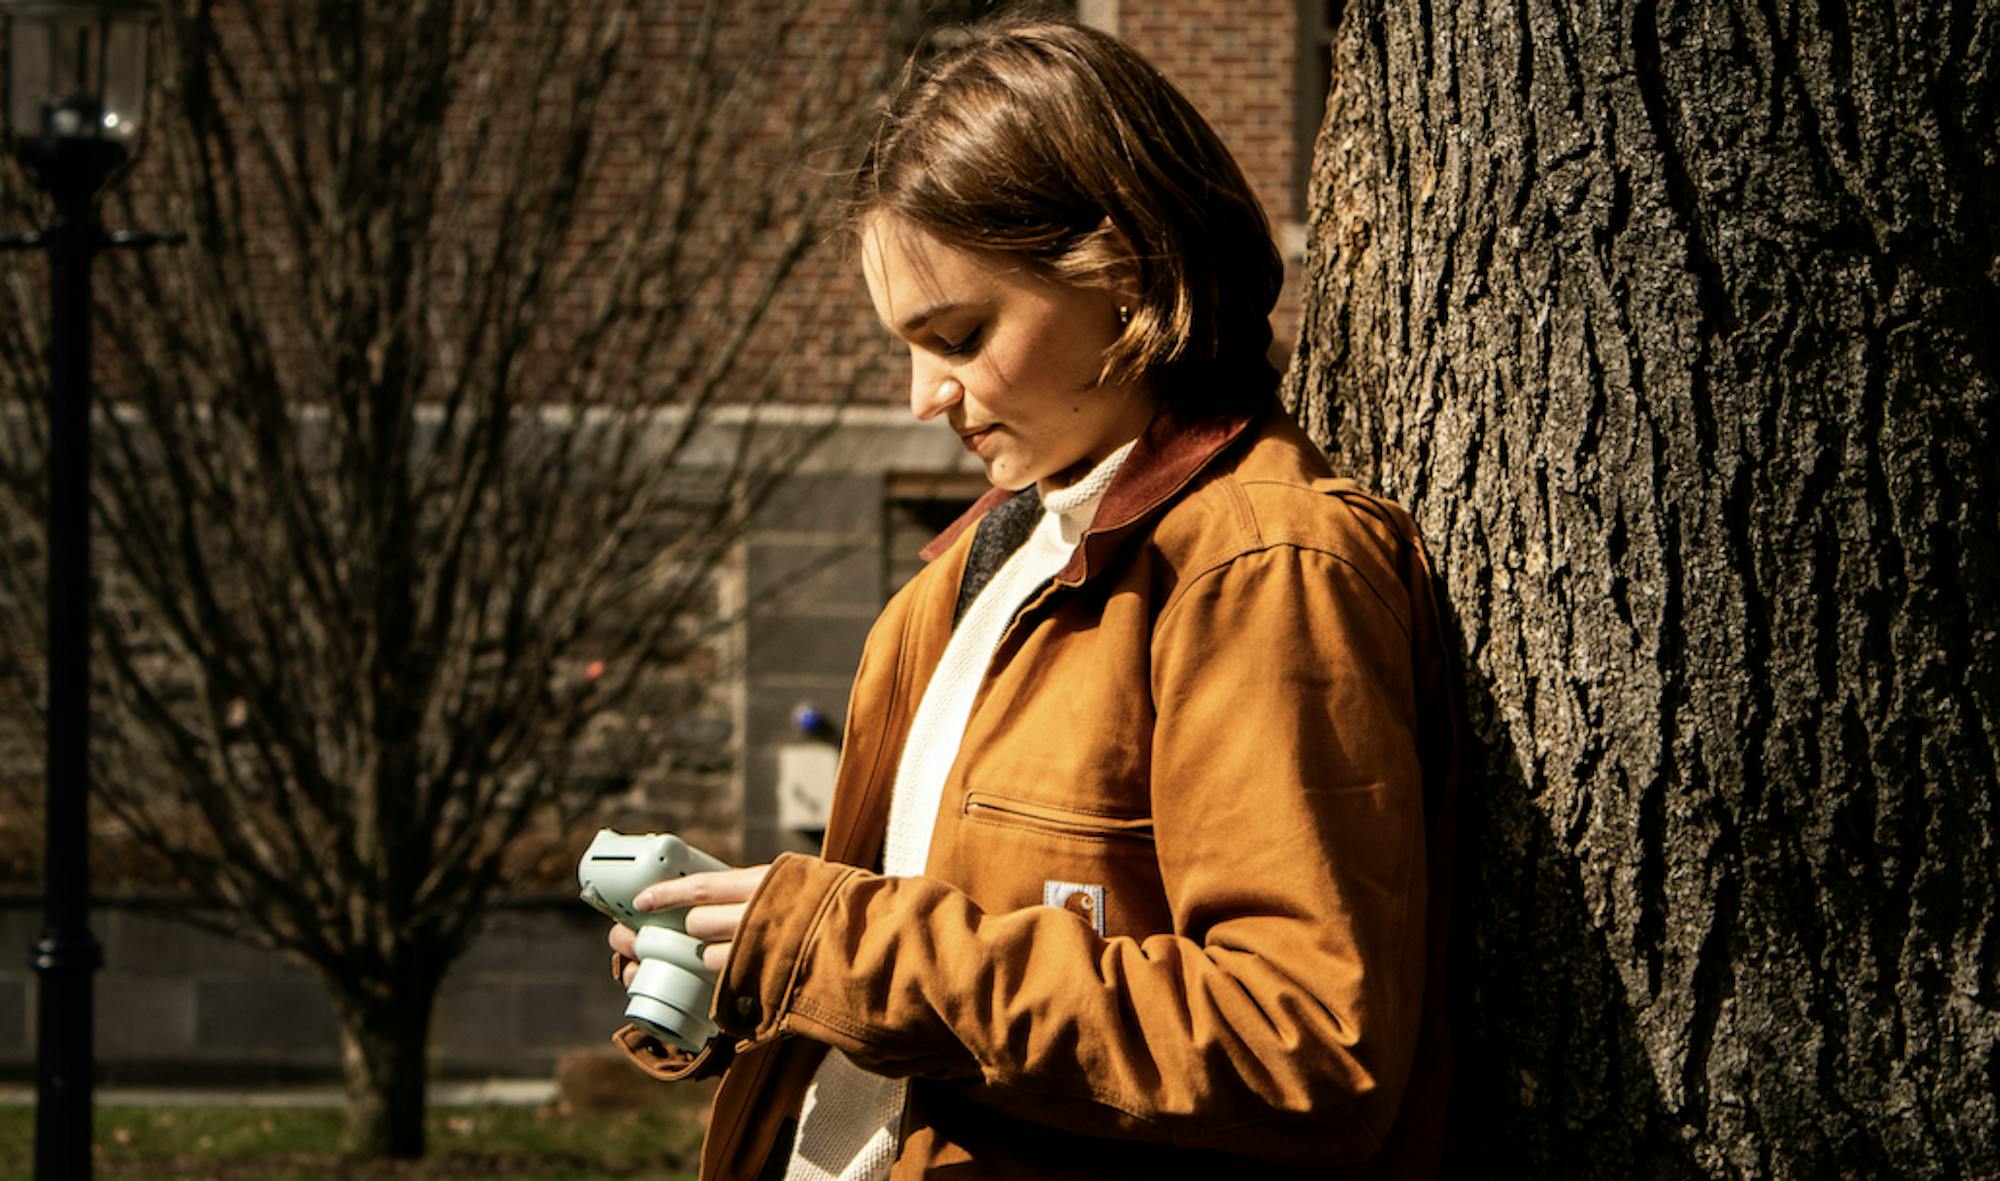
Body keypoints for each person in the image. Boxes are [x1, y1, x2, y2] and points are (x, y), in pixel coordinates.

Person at [606, 15, 1458, 1180]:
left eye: (958, 335)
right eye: (907, 346)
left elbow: (1295, 1041)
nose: (923, 395)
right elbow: (947, 987)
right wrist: (746, 963)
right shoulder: (970, 571)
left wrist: (837, 945)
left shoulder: (1260, 568)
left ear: (1123, 274)